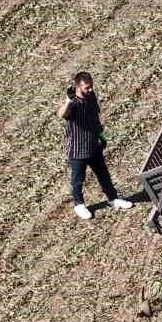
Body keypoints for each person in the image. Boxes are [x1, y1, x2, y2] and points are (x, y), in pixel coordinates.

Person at [58, 71, 132, 220]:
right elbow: (61, 114)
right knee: (78, 180)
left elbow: (94, 116)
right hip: (77, 148)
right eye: (87, 87)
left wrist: (100, 135)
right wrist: (67, 101)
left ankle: (113, 198)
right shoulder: (73, 103)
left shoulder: (91, 96)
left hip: (93, 144)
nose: (90, 90)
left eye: (91, 86)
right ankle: (79, 205)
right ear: (78, 87)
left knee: (103, 174)